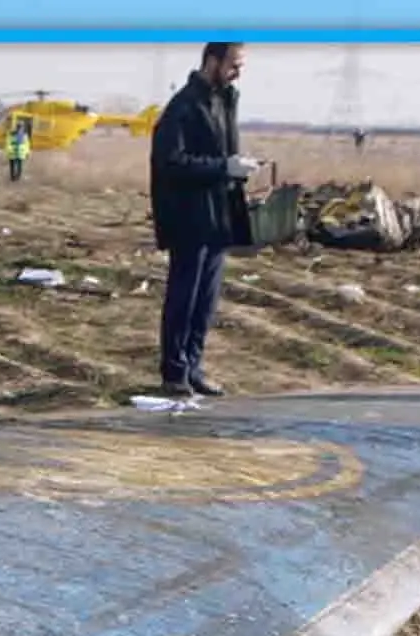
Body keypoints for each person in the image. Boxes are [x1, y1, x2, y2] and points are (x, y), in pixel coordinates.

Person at [148, 41, 258, 399]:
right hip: (189, 217)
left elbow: (218, 152)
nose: (238, 72)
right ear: (212, 61)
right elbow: (171, 163)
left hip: (217, 215)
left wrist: (237, 168)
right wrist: (222, 168)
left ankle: (193, 367)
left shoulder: (225, 101)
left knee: (205, 300)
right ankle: (174, 372)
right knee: (184, 296)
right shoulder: (184, 106)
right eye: (234, 64)